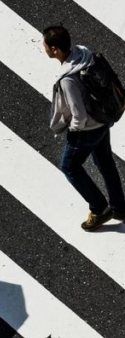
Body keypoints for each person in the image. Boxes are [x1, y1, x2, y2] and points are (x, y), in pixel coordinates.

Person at [44, 25, 125, 231]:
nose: (43, 47)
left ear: (55, 50)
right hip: (103, 119)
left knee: (69, 166)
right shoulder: (84, 54)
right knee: (106, 162)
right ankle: (119, 207)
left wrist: (73, 130)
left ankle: (99, 209)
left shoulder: (68, 79)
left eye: (45, 44)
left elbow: (78, 115)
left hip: (87, 129)